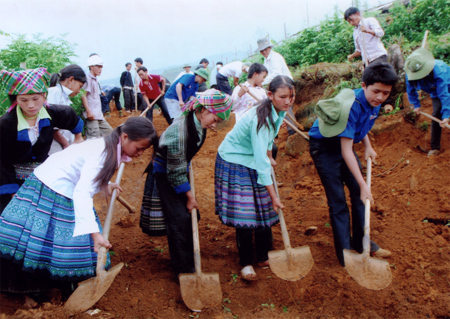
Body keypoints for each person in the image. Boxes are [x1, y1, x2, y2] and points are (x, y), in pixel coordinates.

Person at [0, 116, 157, 307]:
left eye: (144, 150)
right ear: (125, 137)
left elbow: (84, 171)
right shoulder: (102, 152)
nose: (140, 153)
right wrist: (95, 234)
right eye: (139, 148)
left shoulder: (108, 146)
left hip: (59, 183)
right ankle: (31, 290)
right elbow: (83, 191)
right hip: (51, 186)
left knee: (57, 240)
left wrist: (105, 184)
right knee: (47, 240)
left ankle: (56, 284)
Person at [308, 62, 398, 266]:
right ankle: (345, 252)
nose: (380, 97)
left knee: (359, 192)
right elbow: (346, 151)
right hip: (324, 146)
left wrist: (368, 146)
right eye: (376, 91)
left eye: (385, 93)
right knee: (338, 199)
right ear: (364, 85)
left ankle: (361, 242)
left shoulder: (374, 104)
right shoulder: (352, 107)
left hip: (343, 142)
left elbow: (362, 125)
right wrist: (364, 184)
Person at [140, 89, 233, 275]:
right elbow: (174, 173)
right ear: (204, 110)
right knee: (179, 219)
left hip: (178, 167)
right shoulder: (180, 132)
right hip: (166, 173)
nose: (214, 124)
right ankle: (184, 270)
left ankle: (189, 256)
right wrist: (189, 196)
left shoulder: (196, 119)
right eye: (214, 119)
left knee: (189, 217)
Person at [215, 75, 294, 281]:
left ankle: (263, 256)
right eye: (283, 96)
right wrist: (274, 195)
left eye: (291, 96)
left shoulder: (278, 111)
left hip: (253, 157)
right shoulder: (261, 118)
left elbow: (269, 140)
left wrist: (270, 154)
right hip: (234, 160)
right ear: (270, 95)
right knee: (246, 211)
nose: (287, 101)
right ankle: (246, 262)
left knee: (263, 207)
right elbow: (260, 163)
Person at [0, 67, 84, 215]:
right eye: (24, 100)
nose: (31, 105)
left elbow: (71, 116)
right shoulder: (6, 124)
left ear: (44, 95)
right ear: (15, 100)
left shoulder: (53, 113)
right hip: (14, 180)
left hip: (43, 177)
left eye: (35, 99)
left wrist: (78, 138)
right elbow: (2, 161)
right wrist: (13, 193)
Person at [405, 48, 450, 156]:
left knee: (444, 113)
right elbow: (410, 91)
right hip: (435, 92)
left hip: (446, 86)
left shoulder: (439, 71)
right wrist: (416, 105)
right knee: (436, 114)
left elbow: (444, 95)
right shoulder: (410, 74)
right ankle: (435, 147)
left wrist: (446, 116)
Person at [47, 64, 86, 155]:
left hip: (63, 144)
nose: (79, 91)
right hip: (55, 146)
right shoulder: (54, 92)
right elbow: (52, 126)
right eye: (80, 86)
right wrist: (66, 145)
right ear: (71, 80)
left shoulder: (63, 96)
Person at [81, 54, 113, 139]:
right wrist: (88, 111)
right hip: (92, 116)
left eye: (101, 67)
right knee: (93, 141)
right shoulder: (88, 79)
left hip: (98, 116)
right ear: (91, 67)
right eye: (98, 67)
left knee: (111, 134)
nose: (100, 69)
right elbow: (83, 95)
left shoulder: (95, 79)